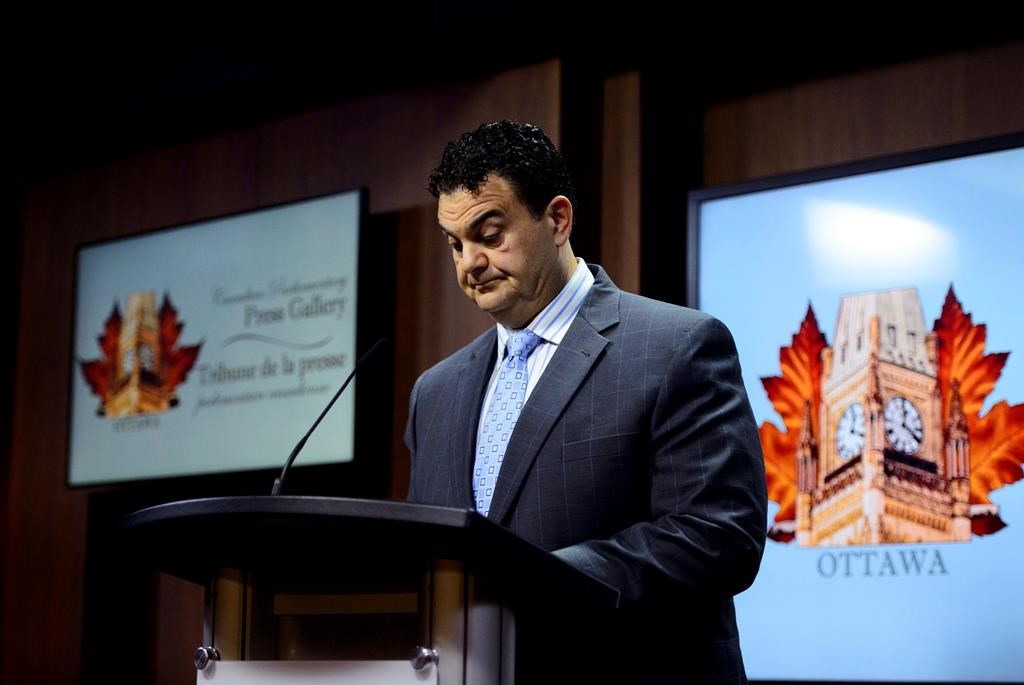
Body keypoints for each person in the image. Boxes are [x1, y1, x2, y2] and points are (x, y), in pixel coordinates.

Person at [405, 120, 767, 684]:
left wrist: (539, 577)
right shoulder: (436, 393)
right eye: (456, 244)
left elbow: (719, 536)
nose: (469, 263)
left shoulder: (677, 346)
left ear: (557, 219)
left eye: (489, 234)